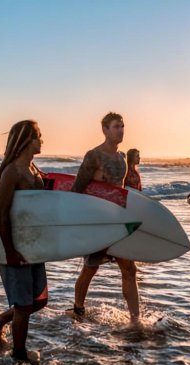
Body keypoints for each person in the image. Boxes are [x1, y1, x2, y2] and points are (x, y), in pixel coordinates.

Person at [67, 112, 140, 322]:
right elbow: (77, 189)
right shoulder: (94, 156)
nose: (121, 130)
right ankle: (78, 310)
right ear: (105, 130)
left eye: (123, 126)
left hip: (117, 221)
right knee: (90, 268)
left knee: (129, 268)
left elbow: (121, 192)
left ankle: (135, 319)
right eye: (116, 126)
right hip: (97, 221)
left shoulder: (122, 158)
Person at [0, 120, 47, 363]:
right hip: (17, 248)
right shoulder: (12, 172)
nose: (42, 141)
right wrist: (9, 251)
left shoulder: (33, 168)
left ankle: (0, 320)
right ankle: (19, 355)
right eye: (38, 137)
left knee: (39, 301)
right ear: (26, 141)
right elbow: (1, 213)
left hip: (34, 246)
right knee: (23, 306)